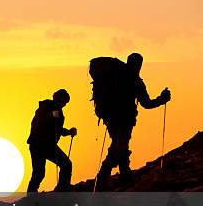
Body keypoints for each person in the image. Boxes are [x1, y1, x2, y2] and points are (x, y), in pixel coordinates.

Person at [95, 53, 171, 189]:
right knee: (119, 147)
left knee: (120, 145)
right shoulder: (136, 81)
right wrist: (162, 99)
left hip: (111, 120)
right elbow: (146, 103)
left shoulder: (116, 77)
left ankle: (123, 176)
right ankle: (104, 177)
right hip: (125, 120)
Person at [26, 89, 77, 192]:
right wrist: (67, 131)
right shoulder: (51, 108)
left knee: (39, 173)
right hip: (43, 145)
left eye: (65, 103)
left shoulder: (52, 109)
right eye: (63, 102)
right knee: (65, 165)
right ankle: (62, 189)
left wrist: (68, 132)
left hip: (40, 145)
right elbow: (51, 124)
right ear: (57, 99)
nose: (64, 105)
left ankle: (32, 196)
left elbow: (56, 127)